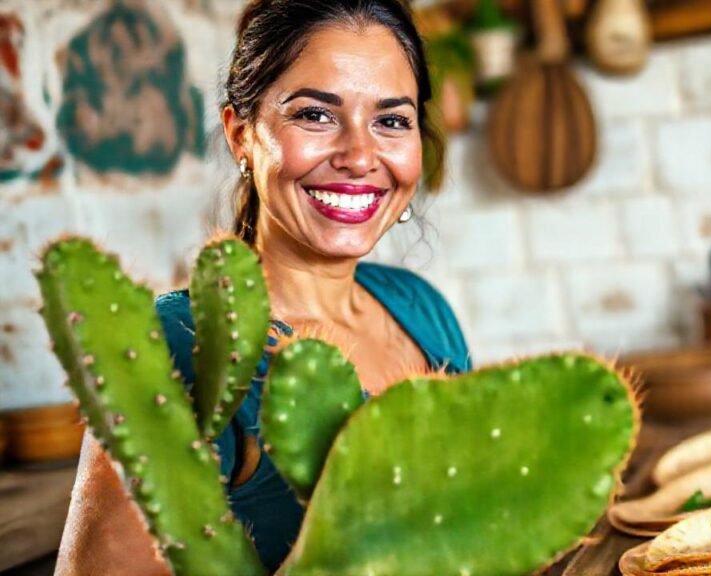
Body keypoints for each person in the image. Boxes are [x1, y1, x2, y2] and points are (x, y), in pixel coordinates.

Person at [55, 0, 470, 573]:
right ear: (240, 135)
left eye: (391, 120)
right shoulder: (177, 343)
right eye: (315, 116)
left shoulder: (421, 308)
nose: (359, 156)